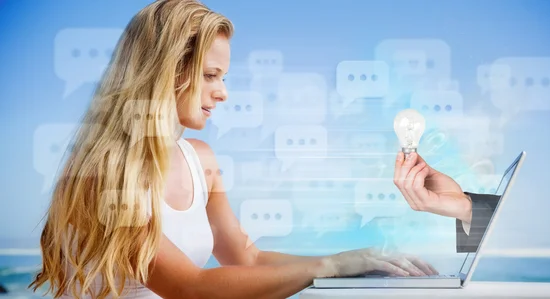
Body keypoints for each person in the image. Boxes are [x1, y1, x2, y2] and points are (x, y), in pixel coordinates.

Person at [28, 0, 497, 298]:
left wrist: (360, 260)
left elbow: (246, 259)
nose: (223, 93)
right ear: (163, 72)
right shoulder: (102, 172)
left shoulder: (200, 160)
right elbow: (189, 289)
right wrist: (330, 265)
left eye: (224, 77)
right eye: (211, 76)